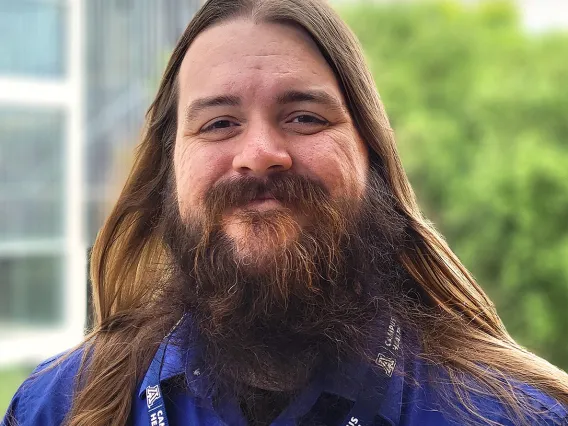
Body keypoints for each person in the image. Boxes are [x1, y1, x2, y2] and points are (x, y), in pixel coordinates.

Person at [3, 0, 568, 425]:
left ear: (370, 154)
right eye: (218, 123)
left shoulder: (515, 415)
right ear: (166, 174)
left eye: (304, 117)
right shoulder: (56, 407)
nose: (259, 156)